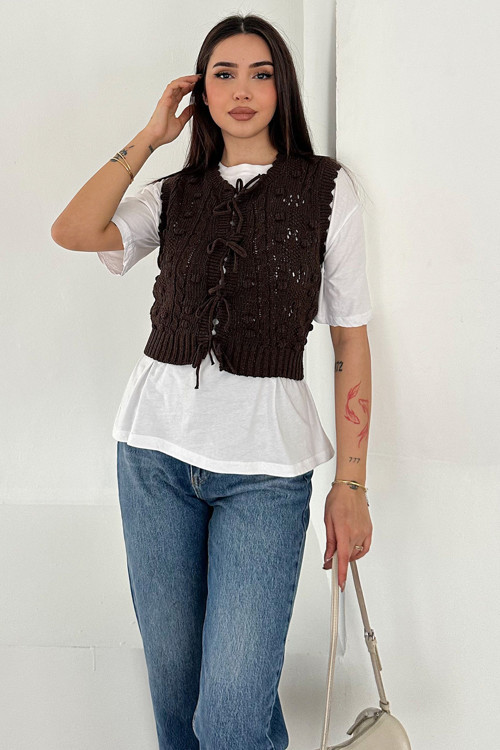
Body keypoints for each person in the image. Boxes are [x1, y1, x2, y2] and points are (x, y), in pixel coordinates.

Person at [51, 13, 373, 750]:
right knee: (177, 702)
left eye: (261, 73)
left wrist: (351, 485)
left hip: (266, 476)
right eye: (223, 75)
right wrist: (149, 138)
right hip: (154, 460)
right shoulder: (173, 192)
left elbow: (350, 340)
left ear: (282, 88)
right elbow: (73, 231)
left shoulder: (327, 190)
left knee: (229, 718)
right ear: (200, 93)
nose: (243, 90)